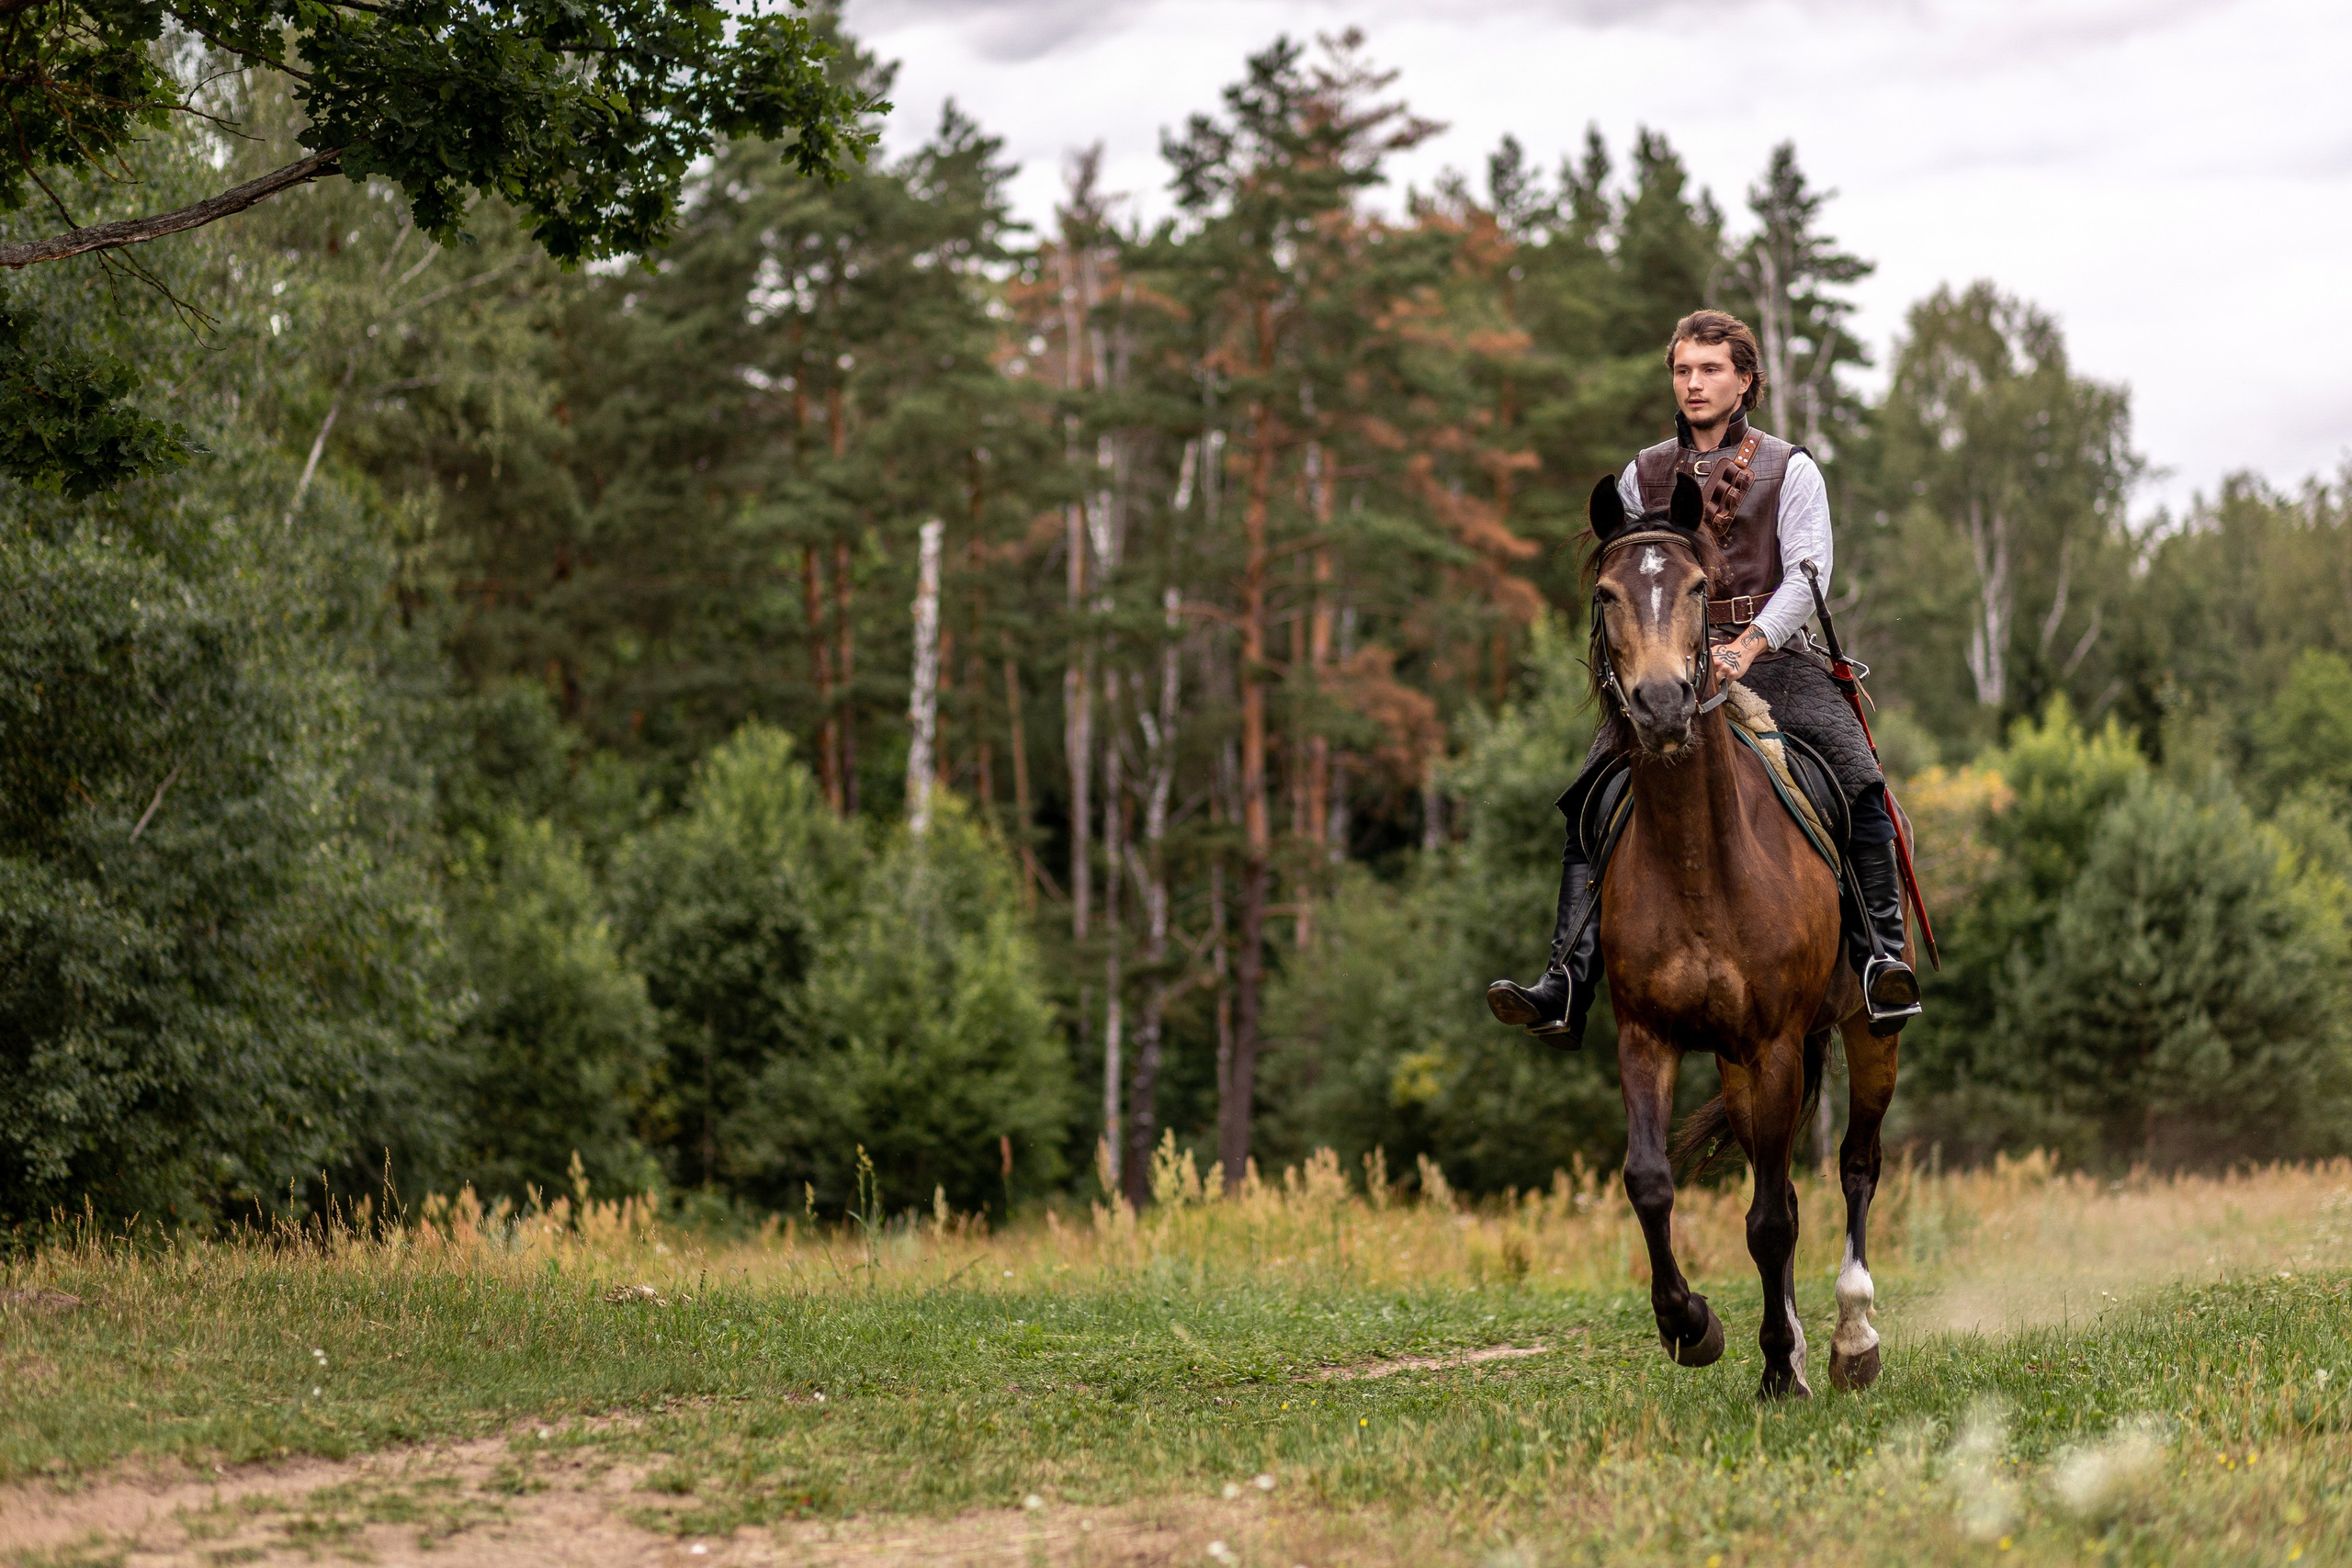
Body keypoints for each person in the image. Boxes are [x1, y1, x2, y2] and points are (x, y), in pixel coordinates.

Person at [1485, 309, 1921, 1048]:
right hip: (1667, 667)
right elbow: (1624, 572)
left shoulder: (1791, 468)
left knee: (1859, 779)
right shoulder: (1641, 474)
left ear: (1745, 379)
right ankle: (1565, 979)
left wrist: (1749, 645)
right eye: (1683, 370)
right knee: (1588, 798)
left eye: (1710, 369)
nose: (1693, 383)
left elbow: (1809, 574)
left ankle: (1881, 959)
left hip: (1777, 662)